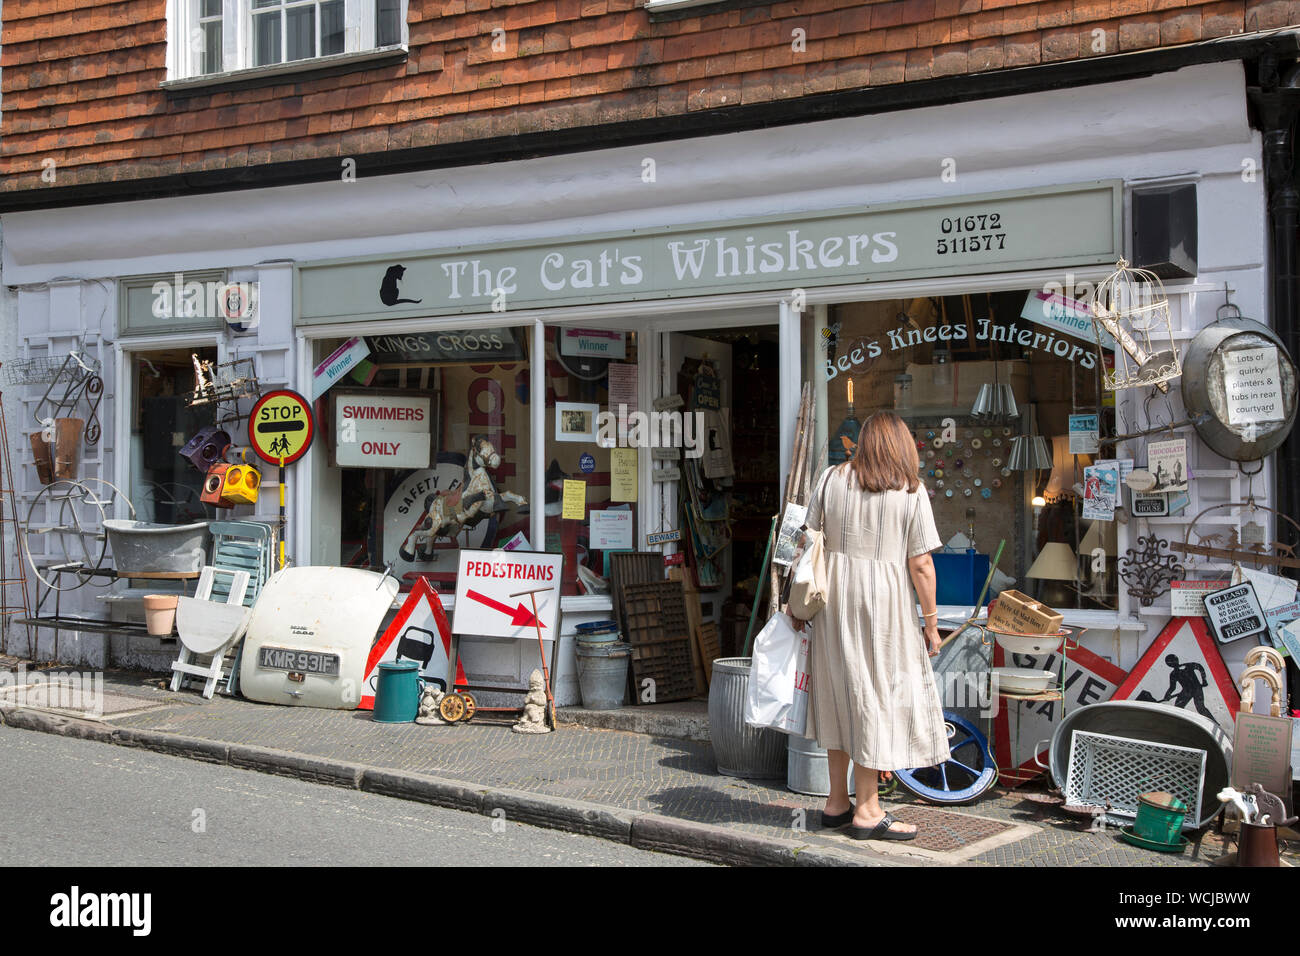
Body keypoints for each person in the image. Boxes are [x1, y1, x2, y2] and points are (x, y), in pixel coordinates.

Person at [796, 411, 949, 841]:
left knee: (839, 694)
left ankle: (835, 803)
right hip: (883, 606)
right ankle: (867, 810)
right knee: (873, 700)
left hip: (832, 601)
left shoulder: (829, 479)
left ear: (863, 442)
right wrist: (932, 622)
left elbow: (806, 540)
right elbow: (921, 564)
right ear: (901, 447)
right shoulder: (910, 491)